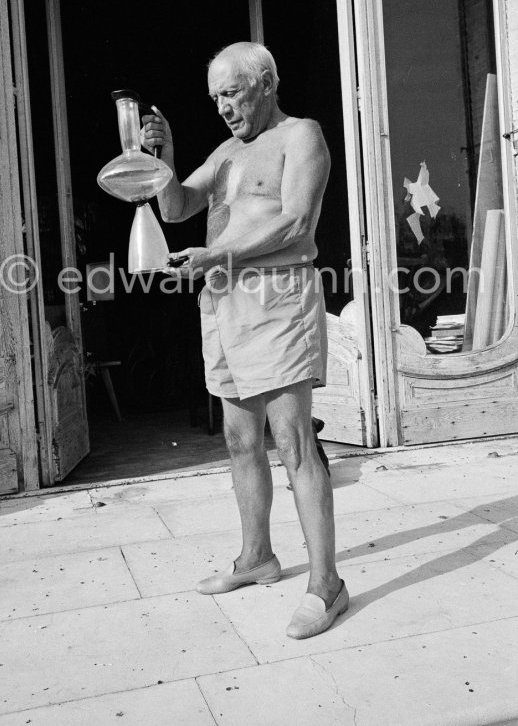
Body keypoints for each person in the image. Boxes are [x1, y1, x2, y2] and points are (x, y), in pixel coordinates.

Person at [141, 42, 348, 639]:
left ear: (266, 83)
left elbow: (296, 221)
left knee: (294, 441)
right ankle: (257, 557)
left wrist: (218, 255)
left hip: (278, 298)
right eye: (216, 99)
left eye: (231, 93)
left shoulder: (301, 135)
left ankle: (327, 585)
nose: (224, 108)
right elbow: (177, 208)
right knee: (238, 439)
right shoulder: (228, 152)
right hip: (224, 302)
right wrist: (165, 160)